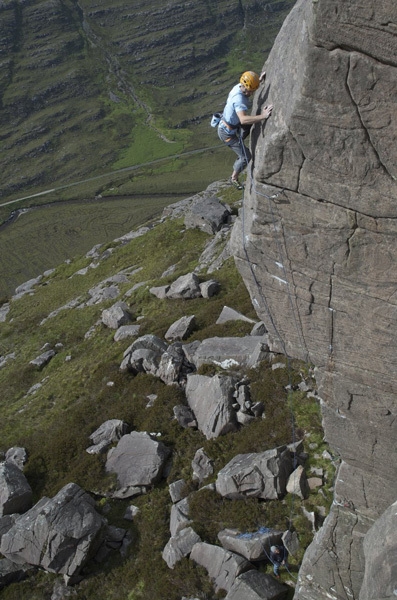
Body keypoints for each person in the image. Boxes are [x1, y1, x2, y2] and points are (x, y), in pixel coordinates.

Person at [218, 70, 273, 190]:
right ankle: (234, 178)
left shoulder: (238, 87)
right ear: (246, 88)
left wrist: (256, 81)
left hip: (231, 126)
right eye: (251, 91)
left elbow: (247, 87)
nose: (252, 93)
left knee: (247, 131)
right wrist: (263, 116)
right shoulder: (239, 100)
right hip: (228, 133)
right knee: (246, 156)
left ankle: (239, 154)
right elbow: (243, 120)